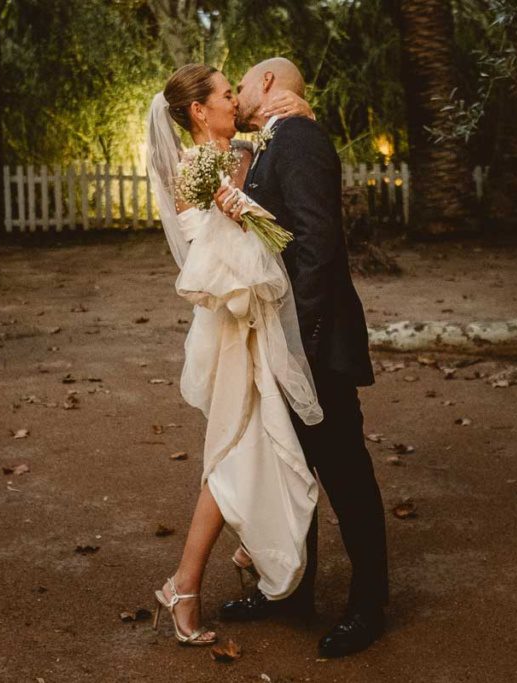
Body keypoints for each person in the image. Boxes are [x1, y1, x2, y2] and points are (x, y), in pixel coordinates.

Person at [217, 57, 389, 659]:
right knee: (290, 469)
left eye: (241, 84)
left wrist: (302, 343)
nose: (234, 94)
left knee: (345, 476)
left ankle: (370, 606)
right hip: (281, 342)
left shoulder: (302, 139)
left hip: (315, 345)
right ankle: (291, 593)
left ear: (268, 83)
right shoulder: (273, 138)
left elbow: (318, 245)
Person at [144, 63, 320, 646]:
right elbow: (211, 266)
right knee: (231, 448)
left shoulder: (242, 152)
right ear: (199, 111)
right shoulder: (196, 171)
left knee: (257, 441)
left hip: (255, 325)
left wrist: (303, 114)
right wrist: (244, 217)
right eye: (224, 94)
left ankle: (231, 558)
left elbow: (274, 151)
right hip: (231, 327)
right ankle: (184, 583)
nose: (232, 101)